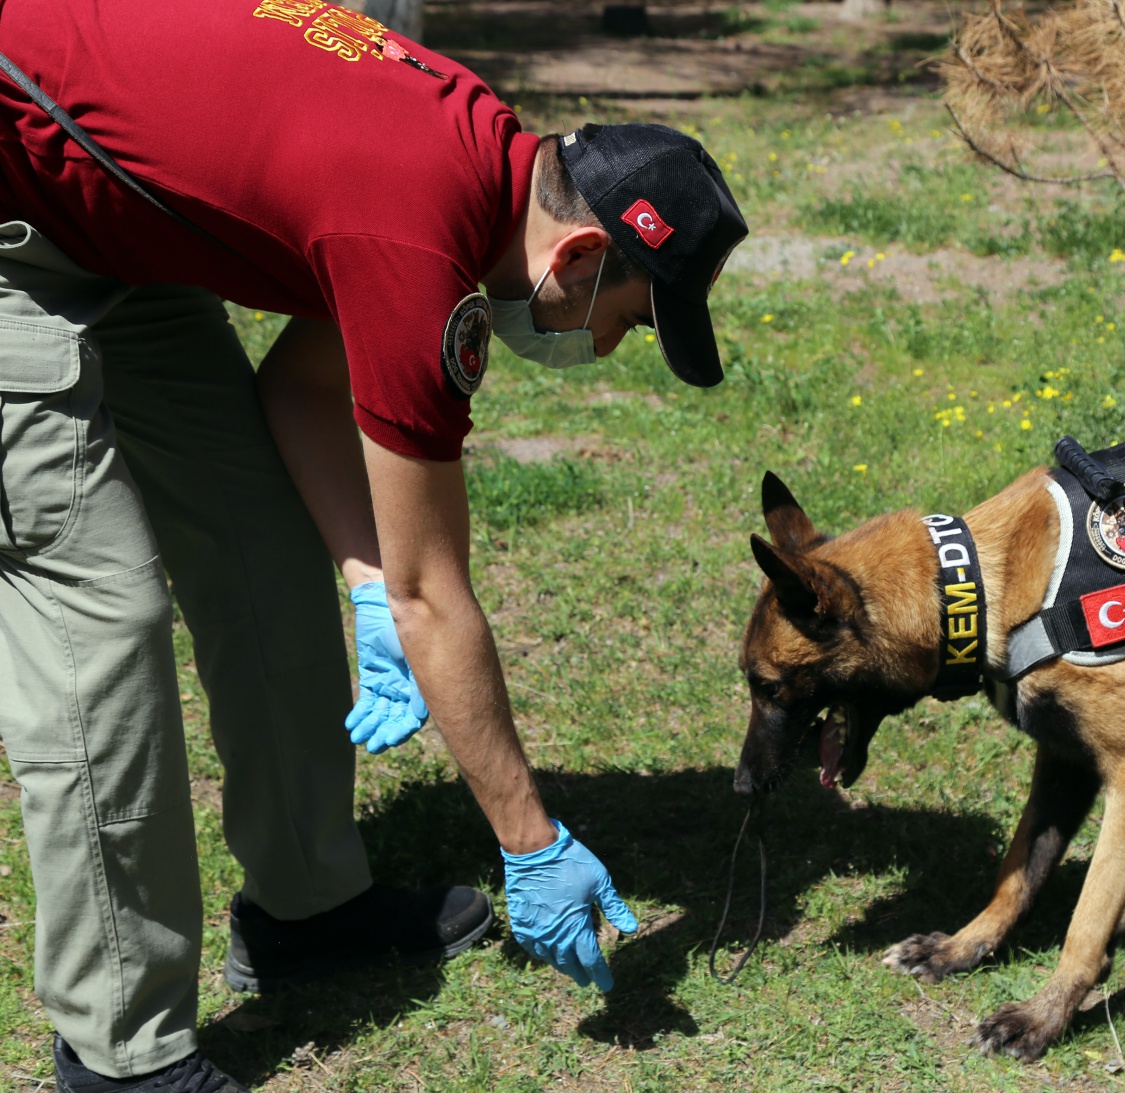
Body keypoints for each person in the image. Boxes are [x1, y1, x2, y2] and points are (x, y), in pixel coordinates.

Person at [0, 0, 747, 1088]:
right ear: (581, 252)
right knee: (104, 616)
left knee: (261, 540)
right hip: (14, 210)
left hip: (109, 227)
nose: (609, 347)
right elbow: (433, 593)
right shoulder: (413, 236)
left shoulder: (477, 169)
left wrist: (360, 579)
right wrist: (530, 840)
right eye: (628, 320)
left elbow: (301, 393)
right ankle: (119, 1054)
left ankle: (306, 907)